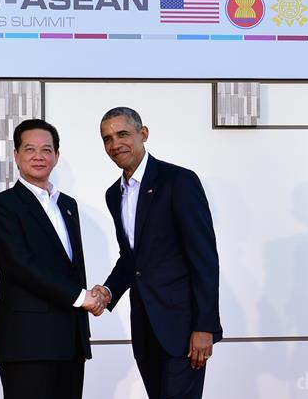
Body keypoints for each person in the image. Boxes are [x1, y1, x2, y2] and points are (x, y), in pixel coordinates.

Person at [92, 107, 223, 399]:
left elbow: (204, 258)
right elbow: (132, 259)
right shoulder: (114, 194)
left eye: (123, 134)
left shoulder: (178, 181)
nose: (115, 144)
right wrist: (108, 291)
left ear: (143, 134)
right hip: (145, 329)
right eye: (107, 139)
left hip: (184, 330)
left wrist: (205, 326)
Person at [0, 119, 105, 399]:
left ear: (56, 155)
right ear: (16, 155)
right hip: (28, 343)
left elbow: (72, 268)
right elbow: (19, 266)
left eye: (46, 150)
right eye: (30, 149)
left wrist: (94, 297)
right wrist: (82, 297)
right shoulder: (3, 205)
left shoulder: (68, 205)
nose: (38, 156)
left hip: (71, 341)